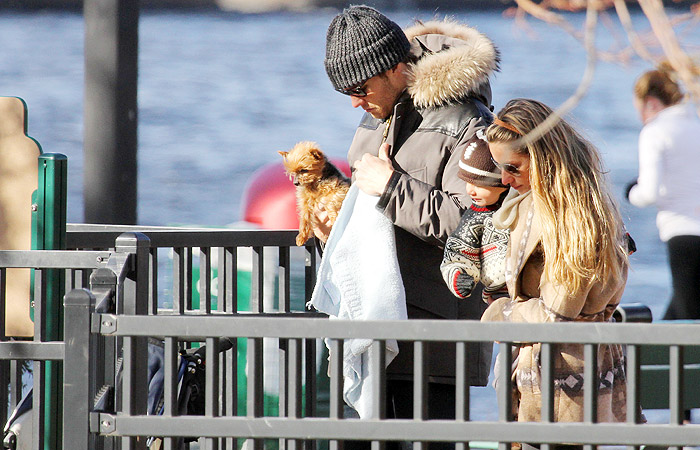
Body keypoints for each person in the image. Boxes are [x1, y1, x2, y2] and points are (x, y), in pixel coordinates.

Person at [319, 5, 500, 448]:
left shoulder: (467, 121)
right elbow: (371, 199)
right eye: (344, 91)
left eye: (360, 88)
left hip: (432, 334)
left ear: (398, 68)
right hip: (370, 321)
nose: (355, 101)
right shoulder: (374, 113)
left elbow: (476, 227)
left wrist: (391, 188)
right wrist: (335, 216)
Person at [481, 99, 630, 447]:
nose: (504, 179)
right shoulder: (577, 204)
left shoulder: (568, 218)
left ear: (544, 157)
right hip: (566, 374)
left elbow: (553, 313)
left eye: (513, 168)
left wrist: (501, 312)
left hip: (561, 382)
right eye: (499, 167)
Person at [626, 65, 700, 321]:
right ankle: (652, 360)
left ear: (651, 103)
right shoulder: (695, 125)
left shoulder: (656, 131)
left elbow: (648, 193)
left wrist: (630, 192)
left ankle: (651, 359)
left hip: (682, 230)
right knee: (682, 307)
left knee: (687, 313)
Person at [440, 130, 510, 303]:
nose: (469, 190)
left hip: (538, 291)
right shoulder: (476, 216)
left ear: (503, 181)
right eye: (467, 182)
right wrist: (459, 276)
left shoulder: (527, 204)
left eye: (477, 184)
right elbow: (459, 252)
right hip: (498, 294)